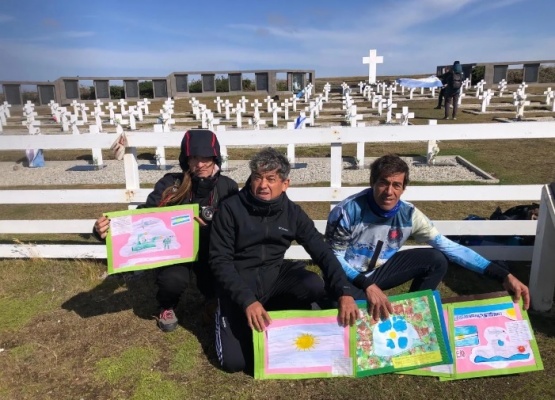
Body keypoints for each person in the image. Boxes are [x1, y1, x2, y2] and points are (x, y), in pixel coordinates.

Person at [325, 154, 530, 322]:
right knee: (342, 308)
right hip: (347, 277)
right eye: (383, 183)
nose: (389, 191)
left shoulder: (410, 215)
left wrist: (503, 275)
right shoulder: (347, 210)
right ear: (372, 183)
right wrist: (367, 286)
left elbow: (451, 248)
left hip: (377, 272)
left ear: (404, 187)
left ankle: (413, 313)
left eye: (396, 185)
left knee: (436, 259)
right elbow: (334, 258)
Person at [209, 147, 358, 373]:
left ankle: (282, 310)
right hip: (238, 285)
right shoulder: (230, 209)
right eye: (258, 177)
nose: (263, 185)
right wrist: (247, 300)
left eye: (271, 179)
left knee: (313, 284)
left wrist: (344, 291)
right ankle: (223, 311)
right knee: (236, 363)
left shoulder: (292, 213)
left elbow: (323, 252)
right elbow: (220, 261)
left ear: (285, 184)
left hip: (273, 277)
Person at [93, 129, 238, 332]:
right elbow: (143, 217)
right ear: (185, 160)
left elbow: (239, 223)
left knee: (219, 280)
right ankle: (166, 306)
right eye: (194, 157)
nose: (201, 163)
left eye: (206, 157)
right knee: (173, 280)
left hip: (211, 250)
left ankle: (213, 299)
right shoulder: (171, 184)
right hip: (176, 252)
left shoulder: (228, 187)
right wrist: (107, 230)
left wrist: (212, 228)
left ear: (216, 158)